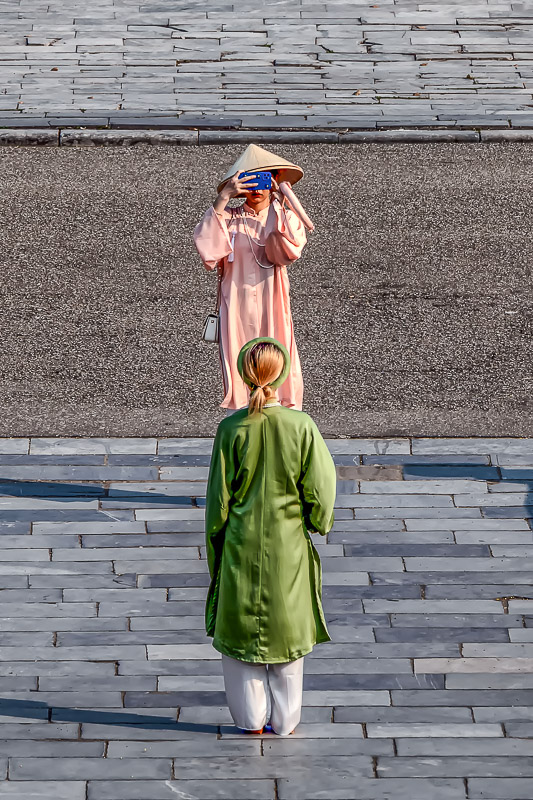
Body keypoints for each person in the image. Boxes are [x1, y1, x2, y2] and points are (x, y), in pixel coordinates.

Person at [204, 336, 336, 735]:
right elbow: (322, 490)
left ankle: (250, 721)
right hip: (288, 544)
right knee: (289, 630)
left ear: (243, 375)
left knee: (240, 638)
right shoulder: (302, 426)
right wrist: (313, 523)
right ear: (280, 374)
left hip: (241, 546)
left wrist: (216, 554)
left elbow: (217, 506)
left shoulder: (231, 429)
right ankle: (285, 721)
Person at [194, 144, 313, 413]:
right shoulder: (228, 218)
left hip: (272, 300)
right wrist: (224, 196)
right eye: (250, 181)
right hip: (235, 302)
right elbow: (209, 253)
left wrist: (279, 202)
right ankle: (243, 418)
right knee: (240, 359)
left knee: (277, 355)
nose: (256, 189)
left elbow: (287, 251)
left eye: (262, 180)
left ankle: (283, 417)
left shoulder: (284, 216)